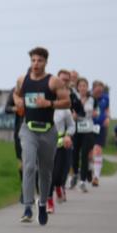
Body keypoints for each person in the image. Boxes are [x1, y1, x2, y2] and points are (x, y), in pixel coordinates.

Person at [13, 46, 71, 225]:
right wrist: (19, 102)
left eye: (39, 60)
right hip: (28, 130)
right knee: (29, 166)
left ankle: (43, 203)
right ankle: (27, 207)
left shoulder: (53, 82)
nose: (36, 64)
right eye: (33, 60)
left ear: (46, 62)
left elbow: (67, 102)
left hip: (48, 131)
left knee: (45, 172)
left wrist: (49, 103)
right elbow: (15, 94)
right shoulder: (22, 80)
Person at [49, 69, 76, 213]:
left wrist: (68, 136)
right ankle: (49, 202)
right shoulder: (44, 107)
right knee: (48, 175)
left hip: (60, 144)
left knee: (58, 175)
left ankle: (59, 186)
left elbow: (72, 125)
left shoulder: (64, 109)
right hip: (45, 144)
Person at [71, 77, 95, 192]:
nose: (82, 88)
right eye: (80, 86)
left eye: (84, 86)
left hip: (87, 129)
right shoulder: (74, 98)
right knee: (74, 154)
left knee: (84, 155)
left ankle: (83, 181)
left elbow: (94, 111)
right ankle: (76, 174)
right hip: (76, 128)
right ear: (77, 87)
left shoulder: (92, 99)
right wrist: (73, 115)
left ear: (87, 87)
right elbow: (70, 109)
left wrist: (95, 113)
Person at [89, 81, 110, 186]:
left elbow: (107, 109)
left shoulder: (106, 98)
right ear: (93, 89)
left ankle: (96, 176)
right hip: (89, 126)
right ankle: (89, 169)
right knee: (89, 152)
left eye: (101, 91)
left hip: (101, 127)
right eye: (98, 90)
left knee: (97, 150)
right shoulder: (89, 97)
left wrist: (108, 118)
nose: (99, 93)